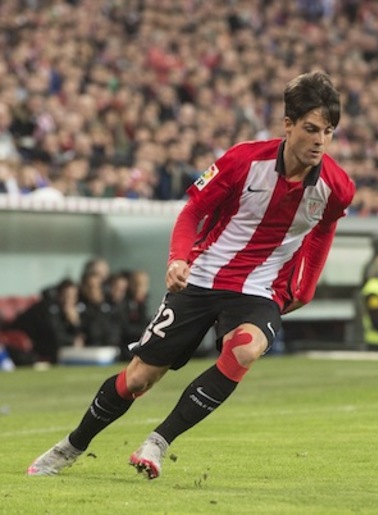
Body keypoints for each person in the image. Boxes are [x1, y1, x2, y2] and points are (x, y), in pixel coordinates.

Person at [27, 71, 355, 479]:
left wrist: (304, 288)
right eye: (311, 129)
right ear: (288, 124)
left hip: (258, 289)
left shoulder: (337, 187)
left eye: (328, 131)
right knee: (140, 379)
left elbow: (323, 231)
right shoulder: (241, 161)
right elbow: (192, 212)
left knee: (244, 350)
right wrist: (178, 259)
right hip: (202, 278)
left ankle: (157, 443)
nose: (320, 140)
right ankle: (71, 446)